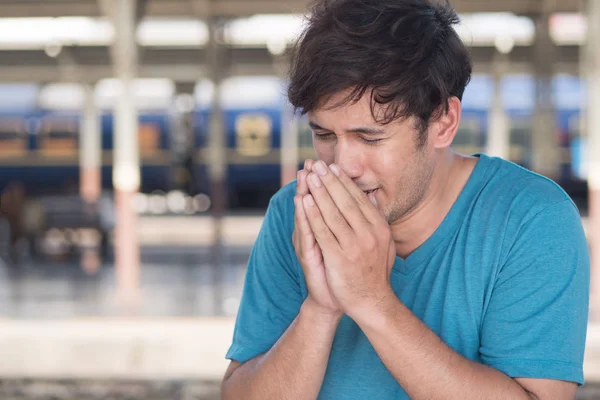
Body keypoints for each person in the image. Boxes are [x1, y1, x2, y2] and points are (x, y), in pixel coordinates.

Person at [221, 0, 590, 398]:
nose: (343, 165)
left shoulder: (531, 220)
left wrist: (372, 301)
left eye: (370, 137)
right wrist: (320, 308)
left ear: (443, 122)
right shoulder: (295, 212)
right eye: (324, 135)